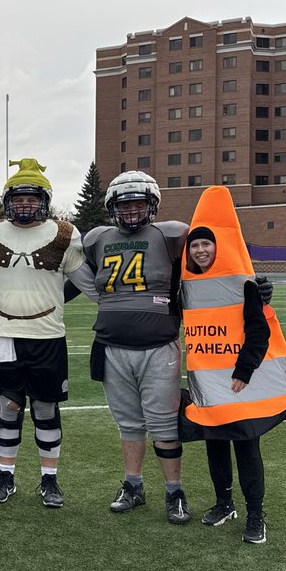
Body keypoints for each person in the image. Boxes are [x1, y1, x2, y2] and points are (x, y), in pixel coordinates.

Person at [179, 186, 286, 545]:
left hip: (238, 383)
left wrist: (244, 371)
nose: (200, 250)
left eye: (207, 244)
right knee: (215, 447)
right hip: (207, 385)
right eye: (195, 245)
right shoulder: (186, 285)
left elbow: (258, 332)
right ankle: (224, 503)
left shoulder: (241, 284)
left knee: (246, 447)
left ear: (219, 247)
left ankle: (256, 514)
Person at [66, 171, 193, 523]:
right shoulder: (97, 239)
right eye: (124, 204)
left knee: (164, 423)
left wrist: (250, 285)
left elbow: (207, 264)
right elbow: (77, 278)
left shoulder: (171, 235)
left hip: (158, 346)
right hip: (111, 346)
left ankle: (174, 491)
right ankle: (133, 485)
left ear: (152, 205)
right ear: (112, 207)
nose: (132, 210)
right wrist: (48, 300)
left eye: (138, 203)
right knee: (128, 423)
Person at [0, 159, 83, 508]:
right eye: (18, 199)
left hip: (47, 336)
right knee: (8, 405)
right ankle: (6, 475)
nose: (25, 205)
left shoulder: (65, 232)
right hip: (5, 335)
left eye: (32, 198)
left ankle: (49, 479)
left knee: (46, 408)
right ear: (8, 201)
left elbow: (83, 280)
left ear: (44, 200)